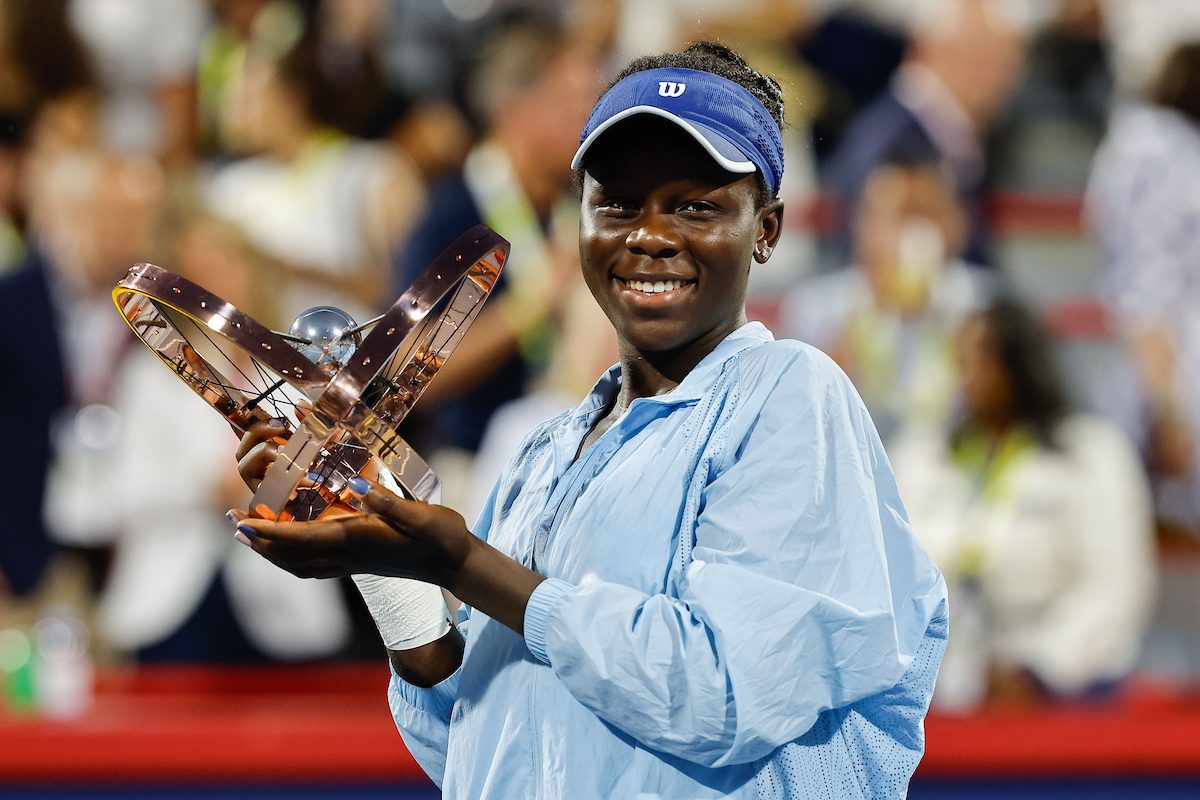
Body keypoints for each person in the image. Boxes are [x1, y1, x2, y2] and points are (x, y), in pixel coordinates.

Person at [229, 43, 947, 798]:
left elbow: (722, 694)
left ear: (765, 228)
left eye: (696, 205)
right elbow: (467, 740)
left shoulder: (793, 396)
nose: (649, 234)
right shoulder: (545, 451)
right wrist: (386, 559)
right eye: (617, 202)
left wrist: (460, 564)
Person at [889, 300, 1155, 709]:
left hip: (1068, 694)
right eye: (961, 359)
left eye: (983, 359)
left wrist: (1037, 669)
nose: (968, 376)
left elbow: (1114, 589)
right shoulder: (927, 458)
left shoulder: (1090, 453)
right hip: (950, 695)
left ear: (1021, 364)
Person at [783, 156, 994, 445]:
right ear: (861, 224)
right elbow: (799, 423)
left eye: (925, 216)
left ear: (957, 224)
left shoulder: (985, 306)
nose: (912, 234)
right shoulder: (818, 308)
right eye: (896, 217)